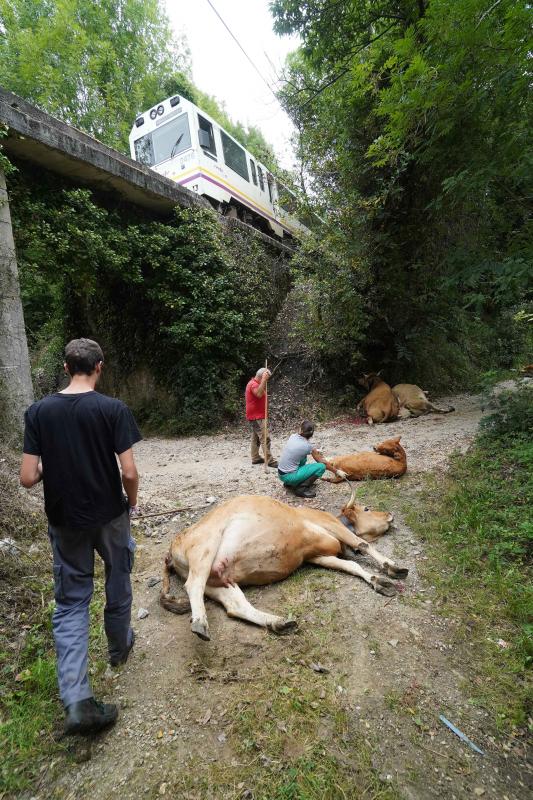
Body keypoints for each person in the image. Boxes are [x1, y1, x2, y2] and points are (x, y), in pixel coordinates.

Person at [19, 338, 142, 736]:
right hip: (109, 515)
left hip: (64, 520)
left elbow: (27, 478)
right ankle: (120, 646)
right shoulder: (112, 409)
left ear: (67, 367)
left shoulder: (38, 412)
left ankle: (77, 701)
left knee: (71, 603)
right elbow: (128, 472)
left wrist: (49, 468)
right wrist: (132, 503)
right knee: (118, 576)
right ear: (99, 367)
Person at [277, 420, 328, 498]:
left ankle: (289, 484)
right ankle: (301, 488)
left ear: (300, 430)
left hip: (281, 474)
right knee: (321, 467)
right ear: (311, 435)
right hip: (289, 476)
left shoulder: (292, 436)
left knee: (303, 457)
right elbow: (321, 461)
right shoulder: (307, 446)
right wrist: (336, 471)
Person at [245, 367, 278, 467]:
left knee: (256, 437)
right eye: (267, 378)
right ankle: (270, 461)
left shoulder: (256, 383)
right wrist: (264, 379)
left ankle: (255, 458)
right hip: (256, 417)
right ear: (261, 376)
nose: (267, 380)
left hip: (257, 416)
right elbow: (259, 394)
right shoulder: (253, 384)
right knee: (265, 438)